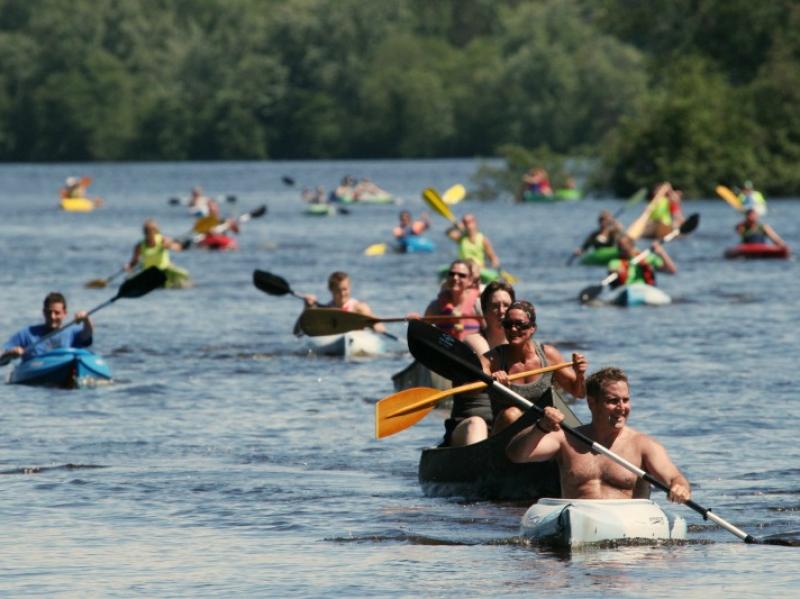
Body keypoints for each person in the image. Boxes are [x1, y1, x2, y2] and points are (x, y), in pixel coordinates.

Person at [506, 367, 691, 503]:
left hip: (628, 529)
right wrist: (541, 427)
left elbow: (674, 477)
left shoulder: (643, 444)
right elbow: (516, 455)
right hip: (577, 522)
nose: (621, 408)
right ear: (592, 403)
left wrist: (679, 487)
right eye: (612, 401)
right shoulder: (566, 439)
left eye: (625, 400)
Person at [485, 300, 587, 435]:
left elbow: (579, 393)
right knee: (511, 414)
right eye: (508, 325)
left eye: (519, 324)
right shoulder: (494, 358)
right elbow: (479, 372)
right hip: (505, 436)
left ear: (533, 328)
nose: (513, 329)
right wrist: (488, 377)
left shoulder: (548, 355)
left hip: (540, 430)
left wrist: (579, 374)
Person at [442, 281, 516, 447]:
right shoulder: (473, 341)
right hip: (468, 425)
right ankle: (477, 467)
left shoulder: (522, 348)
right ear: (484, 311)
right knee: (477, 424)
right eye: (495, 306)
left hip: (504, 423)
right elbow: (489, 360)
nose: (501, 311)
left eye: (506, 306)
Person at [1, 292, 93, 363]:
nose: (52, 316)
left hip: (66, 367)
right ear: (43, 312)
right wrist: (11, 353)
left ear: (65, 313)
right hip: (35, 372)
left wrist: (86, 319)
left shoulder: (73, 332)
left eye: (57, 313)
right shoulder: (27, 333)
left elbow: (87, 334)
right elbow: (2, 353)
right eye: (49, 312)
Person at [303, 271, 385, 333]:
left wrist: (373, 325)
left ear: (350, 288)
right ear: (330, 289)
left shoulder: (359, 307)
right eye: (338, 290)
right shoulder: (326, 310)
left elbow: (380, 327)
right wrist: (308, 306)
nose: (342, 294)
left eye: (345, 289)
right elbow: (307, 327)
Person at [422, 259, 482, 342]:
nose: (455, 277)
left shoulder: (478, 305)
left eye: (461, 275)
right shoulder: (435, 306)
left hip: (472, 351)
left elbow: (490, 332)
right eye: (451, 274)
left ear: (470, 281)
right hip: (445, 349)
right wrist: (415, 321)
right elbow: (423, 331)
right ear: (447, 277)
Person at [127, 219, 190, 288]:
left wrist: (170, 246)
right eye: (146, 231)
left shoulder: (163, 240)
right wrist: (129, 266)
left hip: (165, 269)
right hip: (148, 273)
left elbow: (178, 248)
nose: (148, 233)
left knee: (185, 274)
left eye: (150, 231)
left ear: (155, 231)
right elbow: (134, 261)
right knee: (129, 279)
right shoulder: (139, 245)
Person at [607, 235, 677, 287]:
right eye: (621, 247)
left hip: (645, 288)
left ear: (632, 245)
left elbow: (672, 270)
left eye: (625, 245)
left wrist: (661, 253)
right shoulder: (615, 262)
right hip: (625, 289)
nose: (623, 248)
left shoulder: (647, 258)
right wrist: (616, 271)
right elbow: (612, 269)